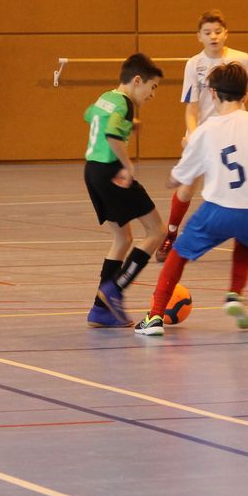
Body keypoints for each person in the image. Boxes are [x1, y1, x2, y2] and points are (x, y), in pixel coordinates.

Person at [135, 62, 248, 336]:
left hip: (219, 209)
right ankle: (235, 294)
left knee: (178, 254)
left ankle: (155, 316)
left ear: (212, 93)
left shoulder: (205, 130)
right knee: (244, 242)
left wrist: (172, 177)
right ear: (246, 95)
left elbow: (179, 176)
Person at [156, 9, 248, 262]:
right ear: (199, 36)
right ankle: (171, 234)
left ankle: (247, 241)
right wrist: (193, 136)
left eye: (217, 31)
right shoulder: (194, 64)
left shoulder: (241, 59)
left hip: (236, 131)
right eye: (207, 32)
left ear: (226, 34)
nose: (213, 36)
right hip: (205, 131)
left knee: (243, 184)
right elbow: (191, 107)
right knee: (187, 188)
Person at [84, 53, 167, 327]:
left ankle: (100, 310)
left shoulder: (105, 98)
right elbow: (111, 133)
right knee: (157, 231)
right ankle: (115, 289)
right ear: (137, 80)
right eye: (152, 87)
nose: (152, 94)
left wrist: (128, 125)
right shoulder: (125, 103)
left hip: (92, 171)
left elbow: (90, 115)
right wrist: (128, 165)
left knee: (122, 238)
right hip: (112, 172)